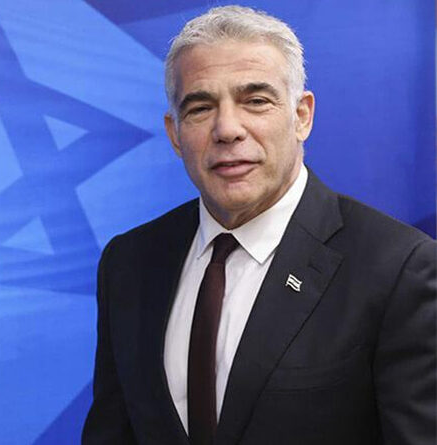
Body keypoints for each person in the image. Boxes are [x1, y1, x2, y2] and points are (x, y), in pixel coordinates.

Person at [81, 5, 436, 445]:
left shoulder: (398, 268)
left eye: (255, 101)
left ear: (301, 116)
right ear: (175, 134)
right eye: (201, 108)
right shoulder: (128, 263)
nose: (228, 129)